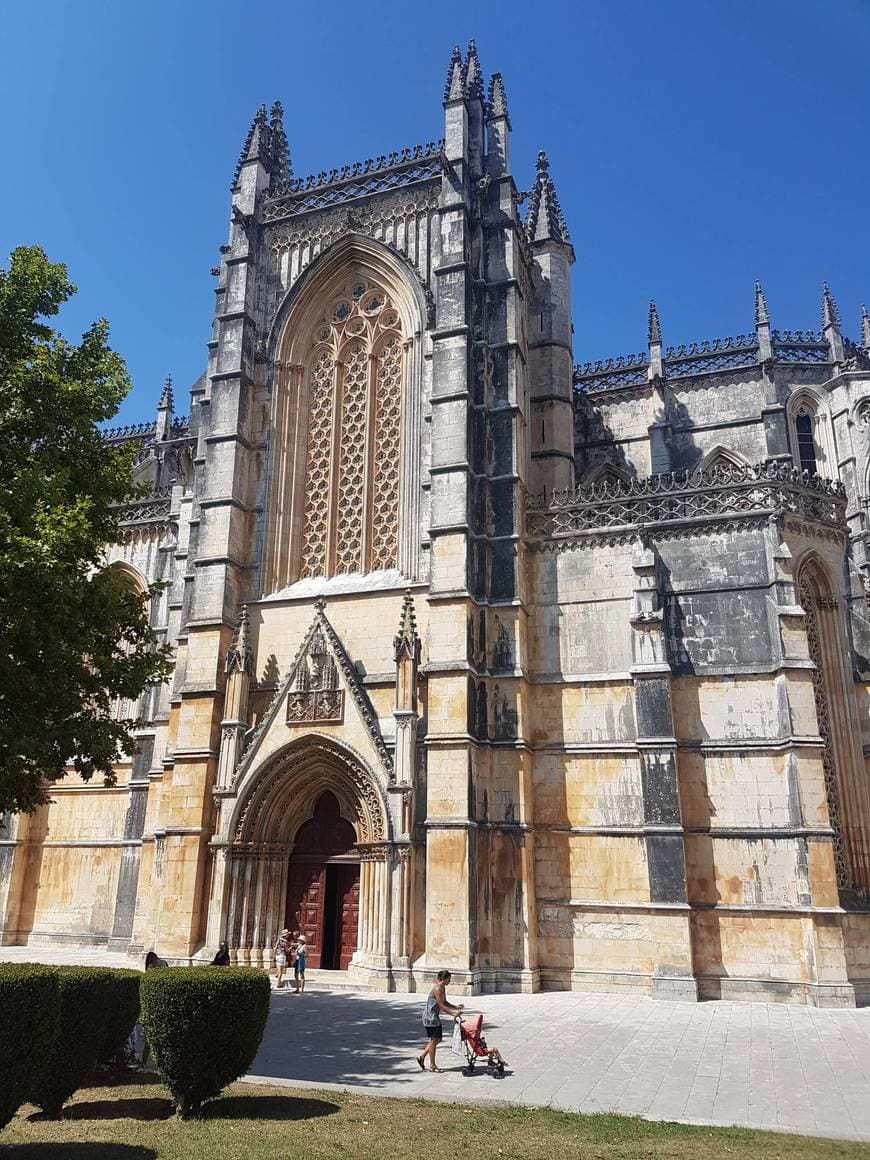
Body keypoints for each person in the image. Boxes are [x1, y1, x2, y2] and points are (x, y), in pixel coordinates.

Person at [417, 969, 463, 1072]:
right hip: (430, 1017)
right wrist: (453, 1014)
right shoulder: (437, 989)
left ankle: (422, 1057)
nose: (449, 981)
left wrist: (455, 1007)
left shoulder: (442, 988)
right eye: (449, 979)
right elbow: (441, 1006)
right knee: (434, 1040)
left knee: (437, 1039)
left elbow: (445, 1002)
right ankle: (432, 1066)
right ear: (443, 979)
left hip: (434, 1017)